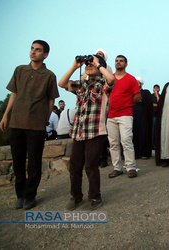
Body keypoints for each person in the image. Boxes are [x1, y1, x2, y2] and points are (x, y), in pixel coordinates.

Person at [0, 40, 59, 210]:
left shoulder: (49, 75)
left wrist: (45, 120)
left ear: (45, 54)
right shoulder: (20, 70)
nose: (33, 52)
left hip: (36, 126)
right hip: (17, 122)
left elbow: (51, 100)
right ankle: (20, 195)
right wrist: (5, 116)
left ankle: (30, 196)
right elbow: (14, 94)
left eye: (38, 50)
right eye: (32, 49)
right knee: (17, 162)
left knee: (34, 162)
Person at [58, 54, 114, 210]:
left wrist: (98, 64)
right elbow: (62, 83)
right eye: (87, 64)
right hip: (78, 131)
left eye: (92, 64)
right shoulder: (81, 84)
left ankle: (95, 197)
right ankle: (76, 197)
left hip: (96, 131)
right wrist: (75, 66)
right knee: (75, 166)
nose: (89, 65)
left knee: (90, 165)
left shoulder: (103, 84)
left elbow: (111, 80)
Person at [107, 55, 141, 178]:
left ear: (126, 64)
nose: (118, 63)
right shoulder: (109, 79)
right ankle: (117, 168)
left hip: (125, 114)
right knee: (113, 143)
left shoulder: (131, 79)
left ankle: (130, 167)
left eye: (121, 61)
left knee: (126, 140)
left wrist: (126, 103)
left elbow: (137, 96)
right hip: (110, 115)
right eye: (116, 61)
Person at [133, 76, 153, 159]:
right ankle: (135, 153)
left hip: (144, 117)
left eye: (138, 82)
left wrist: (141, 100)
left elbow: (149, 103)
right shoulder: (131, 93)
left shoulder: (145, 92)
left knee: (143, 134)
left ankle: (143, 153)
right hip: (133, 116)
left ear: (141, 84)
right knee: (134, 134)